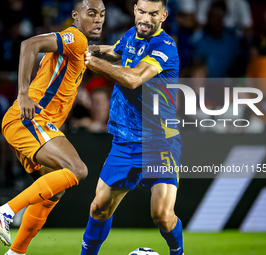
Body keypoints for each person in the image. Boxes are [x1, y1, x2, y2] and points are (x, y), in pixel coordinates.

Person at [0, 0, 105, 254]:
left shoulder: (81, 49)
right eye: (91, 13)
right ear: (75, 15)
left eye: (102, 14)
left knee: (53, 191)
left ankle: (15, 252)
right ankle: (4, 212)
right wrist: (23, 93)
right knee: (78, 170)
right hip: (29, 117)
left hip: (32, 122)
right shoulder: (75, 37)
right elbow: (30, 44)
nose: (98, 19)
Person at [81, 0, 184, 254]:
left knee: (161, 215)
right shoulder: (131, 35)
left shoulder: (165, 46)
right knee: (98, 208)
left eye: (153, 14)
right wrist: (92, 49)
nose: (146, 19)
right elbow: (116, 51)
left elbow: (133, 78)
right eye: (141, 12)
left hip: (159, 141)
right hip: (124, 141)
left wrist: (92, 63)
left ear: (164, 15)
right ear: (134, 10)